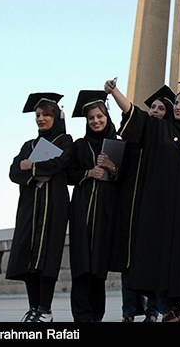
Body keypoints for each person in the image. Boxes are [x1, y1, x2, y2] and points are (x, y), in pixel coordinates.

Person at [105, 78, 180, 322]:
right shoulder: (160, 129)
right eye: (176, 103)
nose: (178, 107)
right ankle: (165, 308)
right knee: (161, 258)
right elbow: (135, 114)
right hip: (160, 210)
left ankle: (176, 307)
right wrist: (115, 93)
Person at [7, 92, 73, 323]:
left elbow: (60, 162)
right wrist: (37, 172)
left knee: (46, 258)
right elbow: (14, 172)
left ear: (56, 117)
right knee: (27, 258)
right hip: (29, 208)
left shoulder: (65, 141)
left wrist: (32, 167)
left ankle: (46, 309)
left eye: (46, 114)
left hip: (53, 208)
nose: (41, 119)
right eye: (38, 115)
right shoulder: (29, 145)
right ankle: (33, 308)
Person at [114, 85, 171, 322]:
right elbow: (121, 173)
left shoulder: (167, 143)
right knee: (128, 260)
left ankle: (153, 310)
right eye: (153, 107)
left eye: (161, 108)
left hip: (154, 211)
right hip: (130, 208)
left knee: (154, 260)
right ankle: (128, 310)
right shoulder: (131, 143)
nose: (155, 111)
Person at [66, 90, 121, 322]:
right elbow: (68, 173)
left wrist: (111, 166)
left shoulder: (117, 145)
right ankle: (81, 317)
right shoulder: (79, 145)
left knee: (99, 268)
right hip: (81, 211)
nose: (96, 121)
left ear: (107, 118)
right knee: (81, 267)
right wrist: (88, 173)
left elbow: (124, 177)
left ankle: (96, 316)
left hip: (106, 213)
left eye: (100, 116)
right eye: (91, 118)